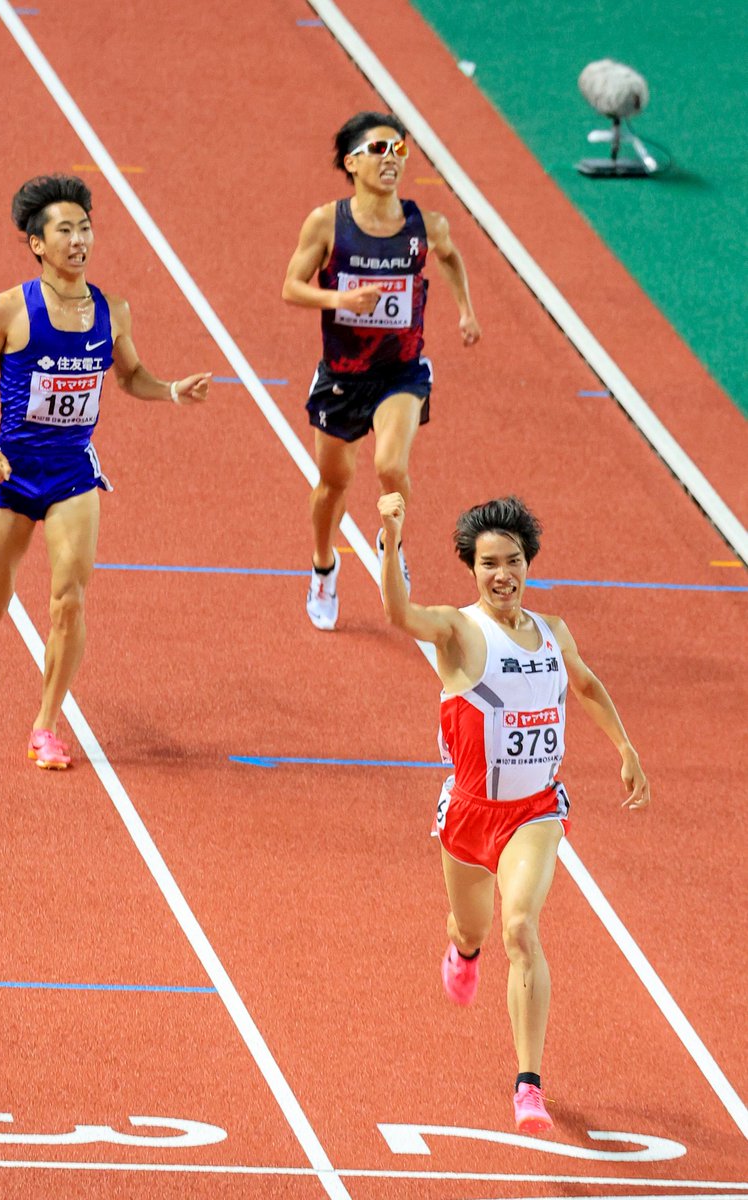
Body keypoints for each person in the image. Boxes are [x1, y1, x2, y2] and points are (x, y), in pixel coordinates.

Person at [377, 491, 650, 1132]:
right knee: (472, 930)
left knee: (521, 929)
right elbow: (396, 611)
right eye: (491, 563)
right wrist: (391, 537)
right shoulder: (456, 629)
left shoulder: (554, 632)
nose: (504, 575)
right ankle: (463, 953)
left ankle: (528, 1084)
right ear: (472, 568)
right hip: (471, 814)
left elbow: (584, 683)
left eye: (515, 561)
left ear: (530, 563)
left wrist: (625, 747)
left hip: (535, 811)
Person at [0, 174, 211, 769]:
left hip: (74, 474)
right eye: (65, 230)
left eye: (86, 228)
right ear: (37, 244)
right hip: (14, 474)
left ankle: (46, 725)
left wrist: (172, 390)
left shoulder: (111, 310)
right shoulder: (10, 308)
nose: (79, 240)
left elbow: (128, 377)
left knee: (69, 598)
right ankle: (37, 690)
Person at [282, 111, 481, 631]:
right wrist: (342, 297)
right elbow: (291, 287)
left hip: (402, 373)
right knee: (335, 482)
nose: (392, 158)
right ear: (351, 162)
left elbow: (452, 257)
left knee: (391, 467)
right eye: (379, 149)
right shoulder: (327, 222)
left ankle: (392, 544)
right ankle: (324, 564)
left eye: (399, 150)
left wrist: (465, 310)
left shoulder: (425, 225)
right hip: (344, 375)